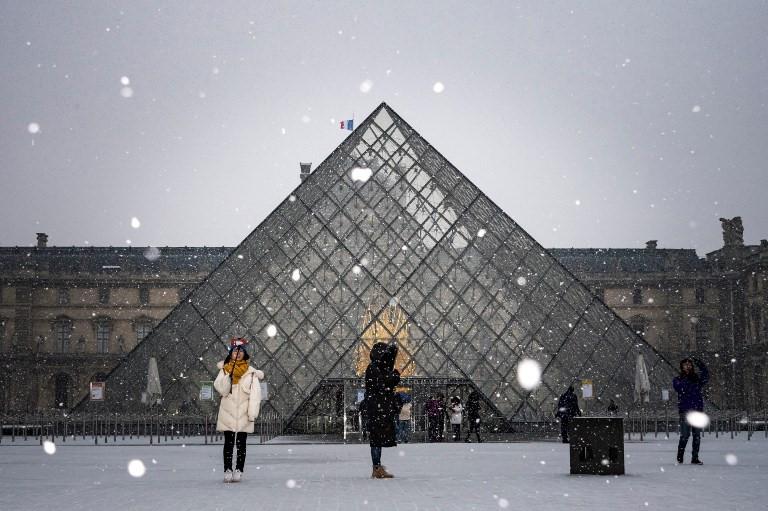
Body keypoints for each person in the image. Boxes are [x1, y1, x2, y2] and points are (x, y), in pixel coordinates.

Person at [214, 337, 264, 483]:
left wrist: (252, 413)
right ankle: (227, 469)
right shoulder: (224, 370)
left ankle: (239, 470)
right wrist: (227, 378)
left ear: (245, 353)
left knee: (241, 443)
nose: (238, 353)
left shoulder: (251, 373)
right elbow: (221, 389)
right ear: (231, 353)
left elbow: (256, 395)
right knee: (228, 443)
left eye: (241, 351)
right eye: (235, 350)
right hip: (228, 411)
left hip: (244, 412)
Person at [364, 342, 400, 478]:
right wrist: (394, 376)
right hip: (377, 408)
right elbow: (383, 384)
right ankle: (377, 468)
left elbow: (384, 383)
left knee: (376, 439)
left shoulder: (374, 367)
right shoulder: (373, 368)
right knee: (376, 439)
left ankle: (377, 467)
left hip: (377, 408)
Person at [673, 357, 709, 465]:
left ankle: (695, 457)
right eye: (685, 365)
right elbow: (680, 388)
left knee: (697, 436)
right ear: (682, 367)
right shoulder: (678, 379)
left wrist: (702, 366)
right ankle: (680, 456)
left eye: (690, 364)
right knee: (685, 435)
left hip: (697, 411)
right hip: (685, 411)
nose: (688, 366)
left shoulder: (697, 379)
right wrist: (687, 378)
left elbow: (706, 377)